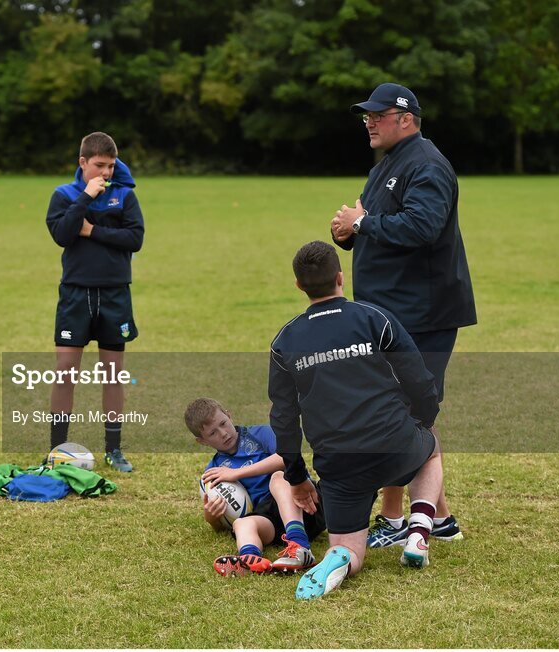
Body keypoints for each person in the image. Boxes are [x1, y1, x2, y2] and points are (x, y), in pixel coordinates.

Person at [330, 83, 475, 547]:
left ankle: (398, 520)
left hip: (422, 315)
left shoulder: (426, 164)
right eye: (366, 115)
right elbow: (371, 221)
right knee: (403, 410)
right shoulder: (389, 163)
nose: (369, 121)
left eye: (378, 114)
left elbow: (422, 226)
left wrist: (363, 223)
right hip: (391, 312)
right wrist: (348, 231)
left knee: (407, 412)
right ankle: (437, 518)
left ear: (406, 117)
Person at [268, 241, 445, 599]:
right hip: (396, 444)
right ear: (340, 278)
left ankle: (339, 559)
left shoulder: (285, 340)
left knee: (350, 549)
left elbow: (283, 417)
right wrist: (424, 420)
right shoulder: (373, 317)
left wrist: (297, 476)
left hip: (338, 465)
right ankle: (418, 533)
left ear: (299, 286)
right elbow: (419, 378)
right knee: (431, 449)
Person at [45, 132, 144, 472]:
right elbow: (61, 234)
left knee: (113, 375)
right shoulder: (64, 195)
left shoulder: (124, 196)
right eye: (99, 166)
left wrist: (92, 232)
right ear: (82, 162)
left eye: (111, 166)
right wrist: (85, 198)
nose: (106, 173)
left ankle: (114, 449)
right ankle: (57, 449)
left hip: (115, 294)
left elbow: (134, 239)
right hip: (75, 293)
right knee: (65, 372)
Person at [184, 398, 326, 577]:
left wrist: (236, 473)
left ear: (229, 415)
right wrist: (212, 517)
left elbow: (286, 458)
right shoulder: (215, 472)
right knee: (242, 523)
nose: (223, 433)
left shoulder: (260, 434)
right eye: (213, 433)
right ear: (202, 441)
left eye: (223, 423)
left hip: (304, 503)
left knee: (278, 477)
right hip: (271, 520)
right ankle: (249, 560)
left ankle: (300, 546)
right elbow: (223, 525)